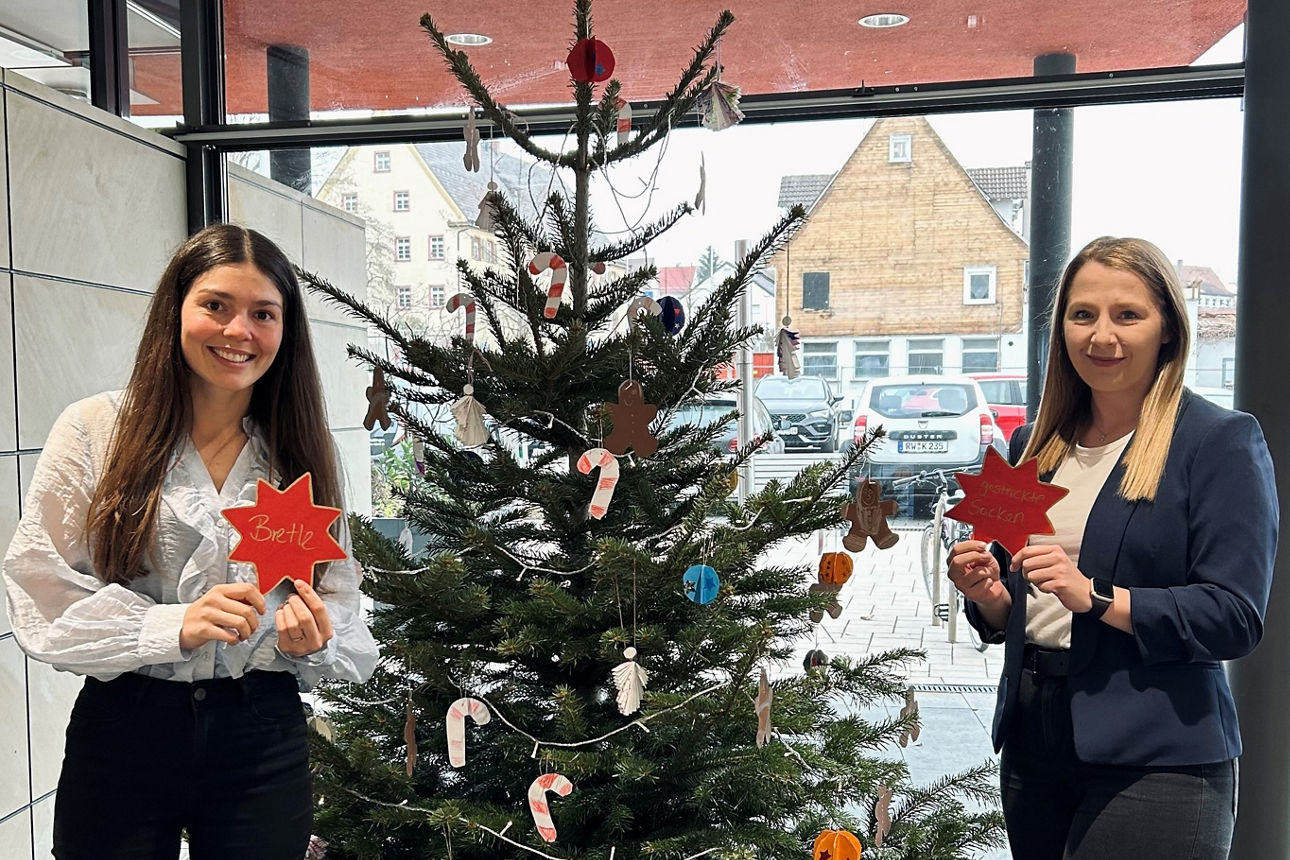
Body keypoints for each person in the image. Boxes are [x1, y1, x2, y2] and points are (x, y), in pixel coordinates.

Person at [2, 224, 379, 859]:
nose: (240, 332)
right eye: (216, 306)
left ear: (285, 332)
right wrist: (170, 625)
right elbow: (42, 593)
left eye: (264, 313)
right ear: (175, 310)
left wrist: (317, 638)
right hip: (125, 725)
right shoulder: (96, 431)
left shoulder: (302, 451)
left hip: (260, 733)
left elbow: (340, 602)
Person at [949, 236, 1276, 859]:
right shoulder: (1033, 447)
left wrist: (1095, 597)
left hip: (1159, 755)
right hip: (1033, 744)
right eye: (1083, 314)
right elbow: (1020, 606)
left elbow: (1234, 617)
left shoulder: (1219, 443)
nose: (1102, 336)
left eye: (1128, 315)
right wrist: (990, 598)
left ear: (1169, 332)